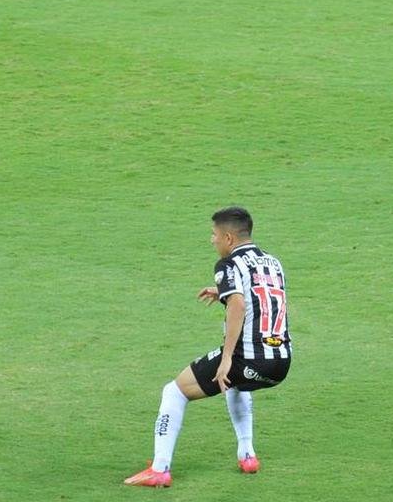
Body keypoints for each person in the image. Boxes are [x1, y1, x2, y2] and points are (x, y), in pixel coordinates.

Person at [125, 207, 292, 487]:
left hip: (248, 359)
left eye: (214, 235)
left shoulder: (227, 265)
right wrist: (223, 292)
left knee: (174, 391)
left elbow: (239, 305)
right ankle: (247, 455)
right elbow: (260, 294)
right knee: (236, 384)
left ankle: (159, 469)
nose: (212, 240)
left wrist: (227, 358)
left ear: (228, 237)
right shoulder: (273, 263)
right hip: (281, 361)